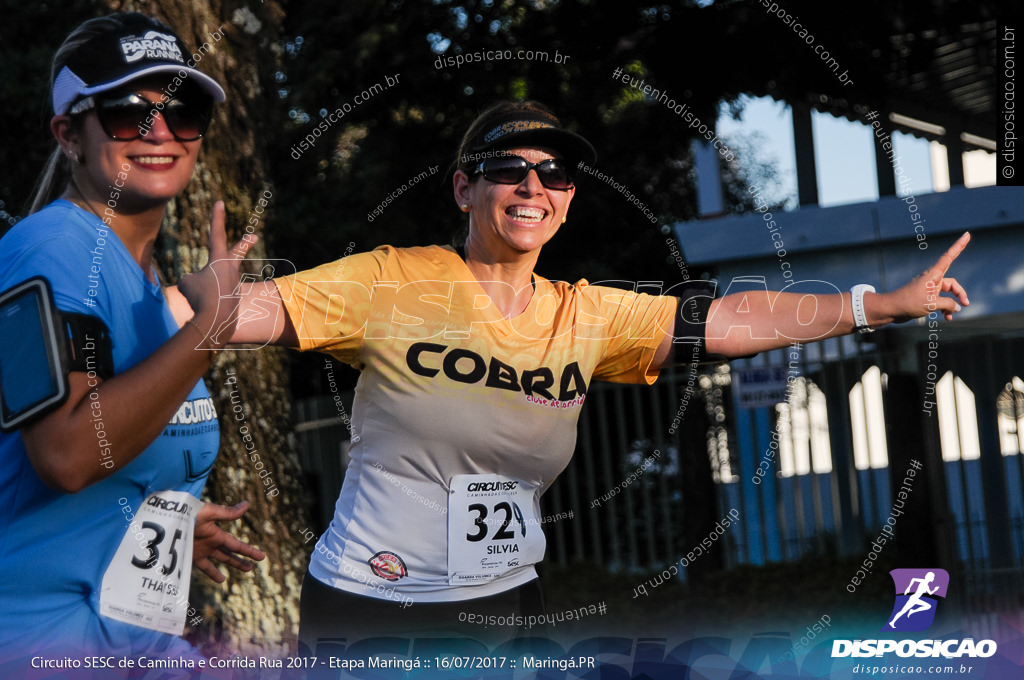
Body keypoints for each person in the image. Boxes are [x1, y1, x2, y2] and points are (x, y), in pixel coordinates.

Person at [180, 100, 970, 649]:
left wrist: (877, 304)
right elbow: (222, 317)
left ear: (568, 201)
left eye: (554, 174)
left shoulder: (585, 316)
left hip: (503, 603)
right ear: (465, 188)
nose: (533, 185)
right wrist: (202, 303)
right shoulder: (391, 280)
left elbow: (728, 319)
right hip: (368, 604)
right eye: (506, 167)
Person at [0, 12, 265, 666]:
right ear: (68, 134)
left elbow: (107, 468)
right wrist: (209, 328)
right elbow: (67, 451)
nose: (161, 133)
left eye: (184, 110)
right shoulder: (52, 250)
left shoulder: (140, 282)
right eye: (126, 114)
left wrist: (147, 526)